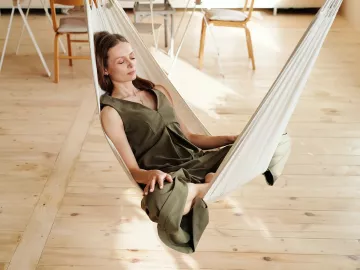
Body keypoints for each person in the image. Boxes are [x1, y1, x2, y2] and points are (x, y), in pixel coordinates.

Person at [94, 31, 291, 253]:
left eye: (132, 56)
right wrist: (151, 175)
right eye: (121, 61)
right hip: (168, 176)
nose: (131, 64)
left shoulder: (158, 91)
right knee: (158, 200)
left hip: (198, 159)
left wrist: (230, 139)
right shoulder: (111, 112)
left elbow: (190, 137)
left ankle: (197, 191)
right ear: (105, 69)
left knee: (274, 138)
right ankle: (208, 186)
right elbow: (132, 169)